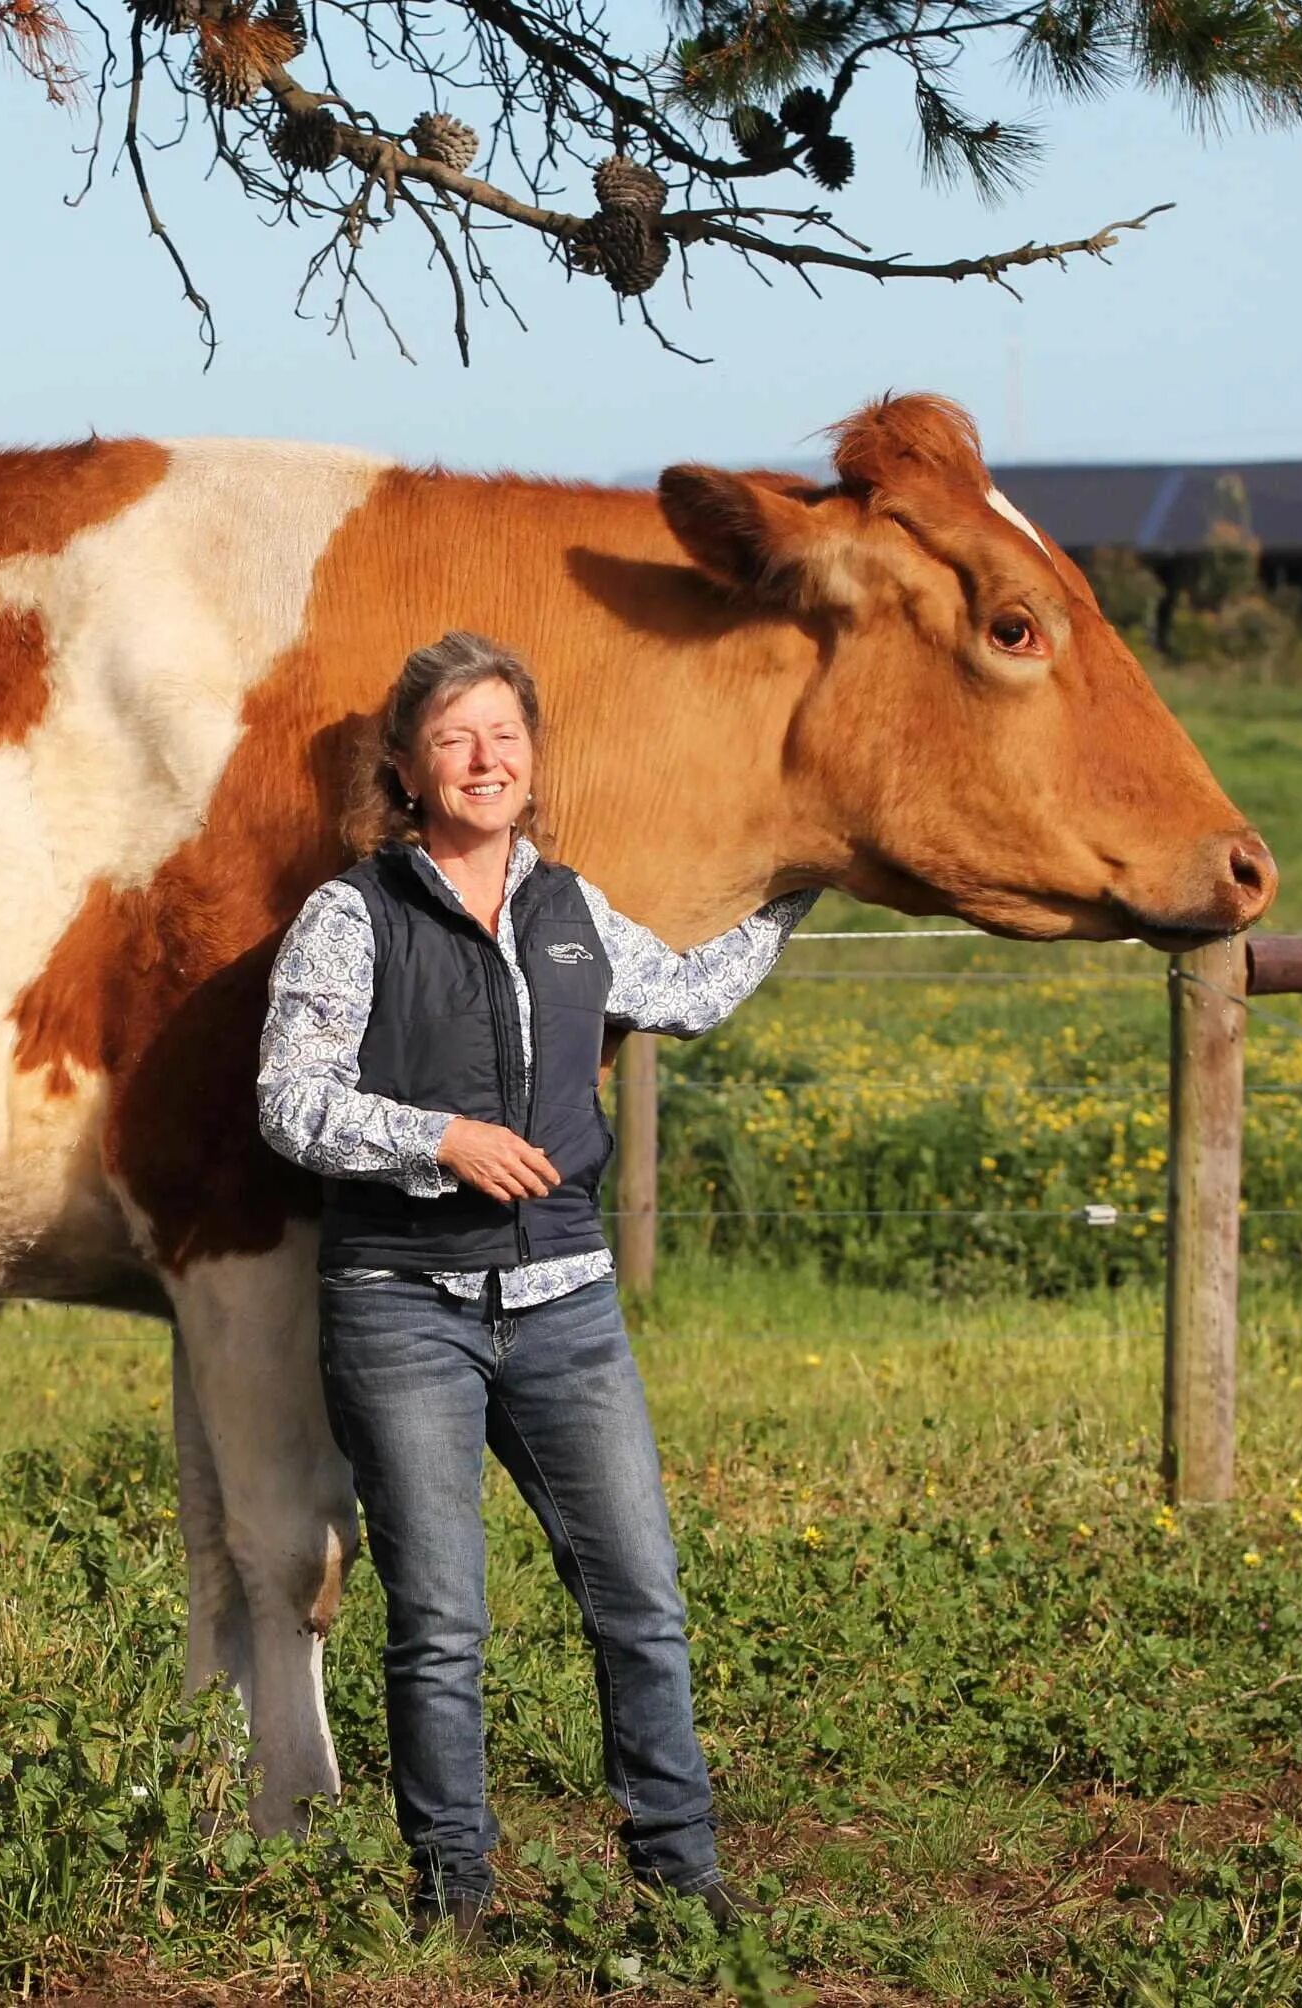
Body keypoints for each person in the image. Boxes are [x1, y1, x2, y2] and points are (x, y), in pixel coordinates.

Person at [255, 630, 818, 1937]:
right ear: (405, 766)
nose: (484, 756)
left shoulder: (575, 911)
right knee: (442, 1622)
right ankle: (454, 1898)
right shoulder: (352, 916)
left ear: (534, 755)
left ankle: (681, 1881)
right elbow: (290, 1101)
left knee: (644, 1603)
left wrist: (802, 886)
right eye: (454, 736)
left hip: (567, 1307)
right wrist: (436, 1138)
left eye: (505, 732)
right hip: (404, 1307)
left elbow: (688, 993)